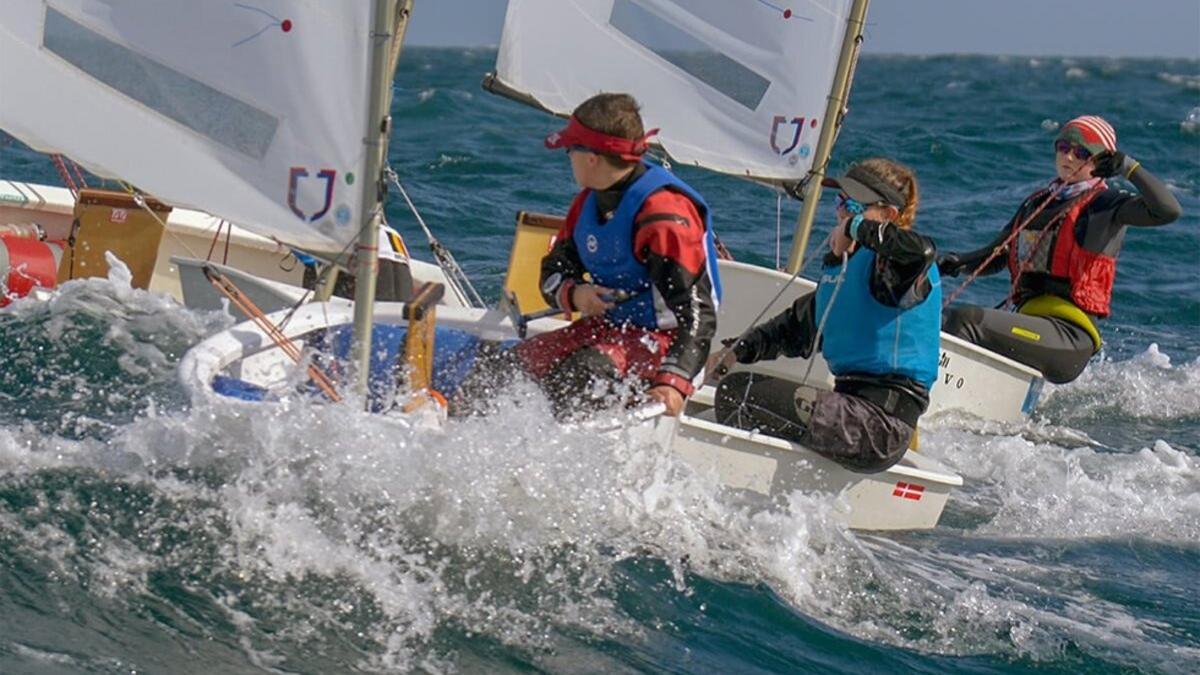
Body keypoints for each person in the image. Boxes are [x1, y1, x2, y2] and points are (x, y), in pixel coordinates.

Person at [460, 93, 721, 419]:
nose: (568, 157)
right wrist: (575, 293)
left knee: (578, 375)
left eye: (570, 150)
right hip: (607, 330)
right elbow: (554, 271)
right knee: (501, 372)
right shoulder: (586, 204)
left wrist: (673, 381)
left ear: (591, 158)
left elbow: (698, 316)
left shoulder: (665, 216)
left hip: (669, 345)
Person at [709, 158, 939, 473]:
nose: (841, 213)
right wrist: (736, 352)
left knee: (740, 394)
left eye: (854, 207)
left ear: (888, 216)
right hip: (852, 412)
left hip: (881, 425)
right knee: (736, 386)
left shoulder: (895, 269)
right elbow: (793, 329)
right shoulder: (845, 268)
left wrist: (853, 227)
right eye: (840, 202)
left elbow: (921, 251)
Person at [939, 116, 1182, 384]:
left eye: (1081, 152)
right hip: (1030, 326)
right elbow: (996, 256)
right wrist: (957, 263)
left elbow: (1168, 210)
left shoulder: (1107, 205)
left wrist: (1129, 168)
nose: (1068, 156)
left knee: (966, 321)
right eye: (1063, 147)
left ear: (1102, 161)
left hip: (1068, 337)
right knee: (941, 320)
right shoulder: (1037, 204)